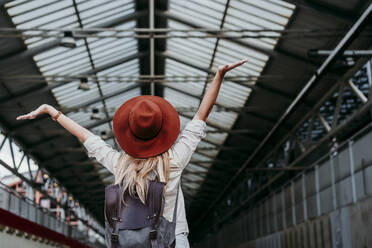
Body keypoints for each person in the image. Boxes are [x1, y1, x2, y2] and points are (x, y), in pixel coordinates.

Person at [16, 59, 248, 247]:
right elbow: (200, 116)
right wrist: (219, 76)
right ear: (163, 130)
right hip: (174, 241)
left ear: (130, 134)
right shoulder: (174, 162)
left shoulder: (120, 165)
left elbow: (88, 137)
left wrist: (52, 111)